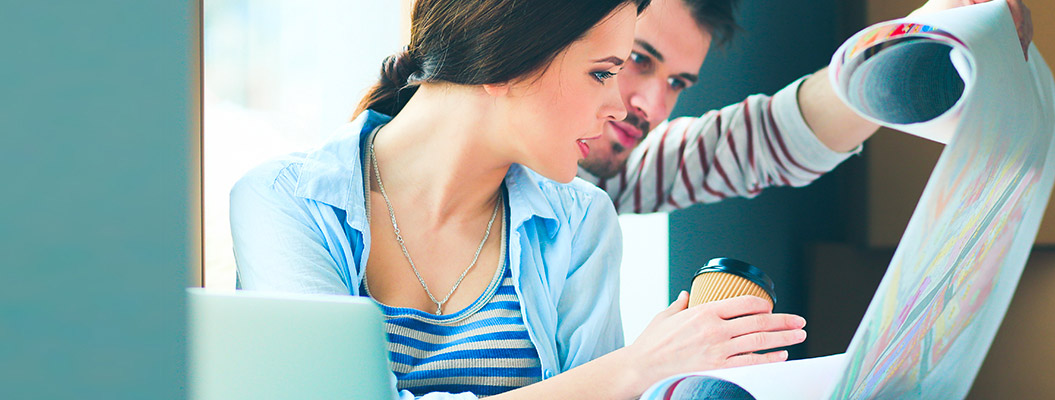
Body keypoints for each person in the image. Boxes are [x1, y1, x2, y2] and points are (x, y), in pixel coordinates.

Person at [228, 0, 805, 399]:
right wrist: (634, 367)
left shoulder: (582, 221)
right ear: (506, 58)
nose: (621, 107)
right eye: (604, 73)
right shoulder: (284, 203)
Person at [577, 0, 1032, 213]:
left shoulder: (601, 182)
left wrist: (922, 29)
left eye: (677, 83)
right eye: (639, 59)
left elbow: (765, 138)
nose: (654, 107)